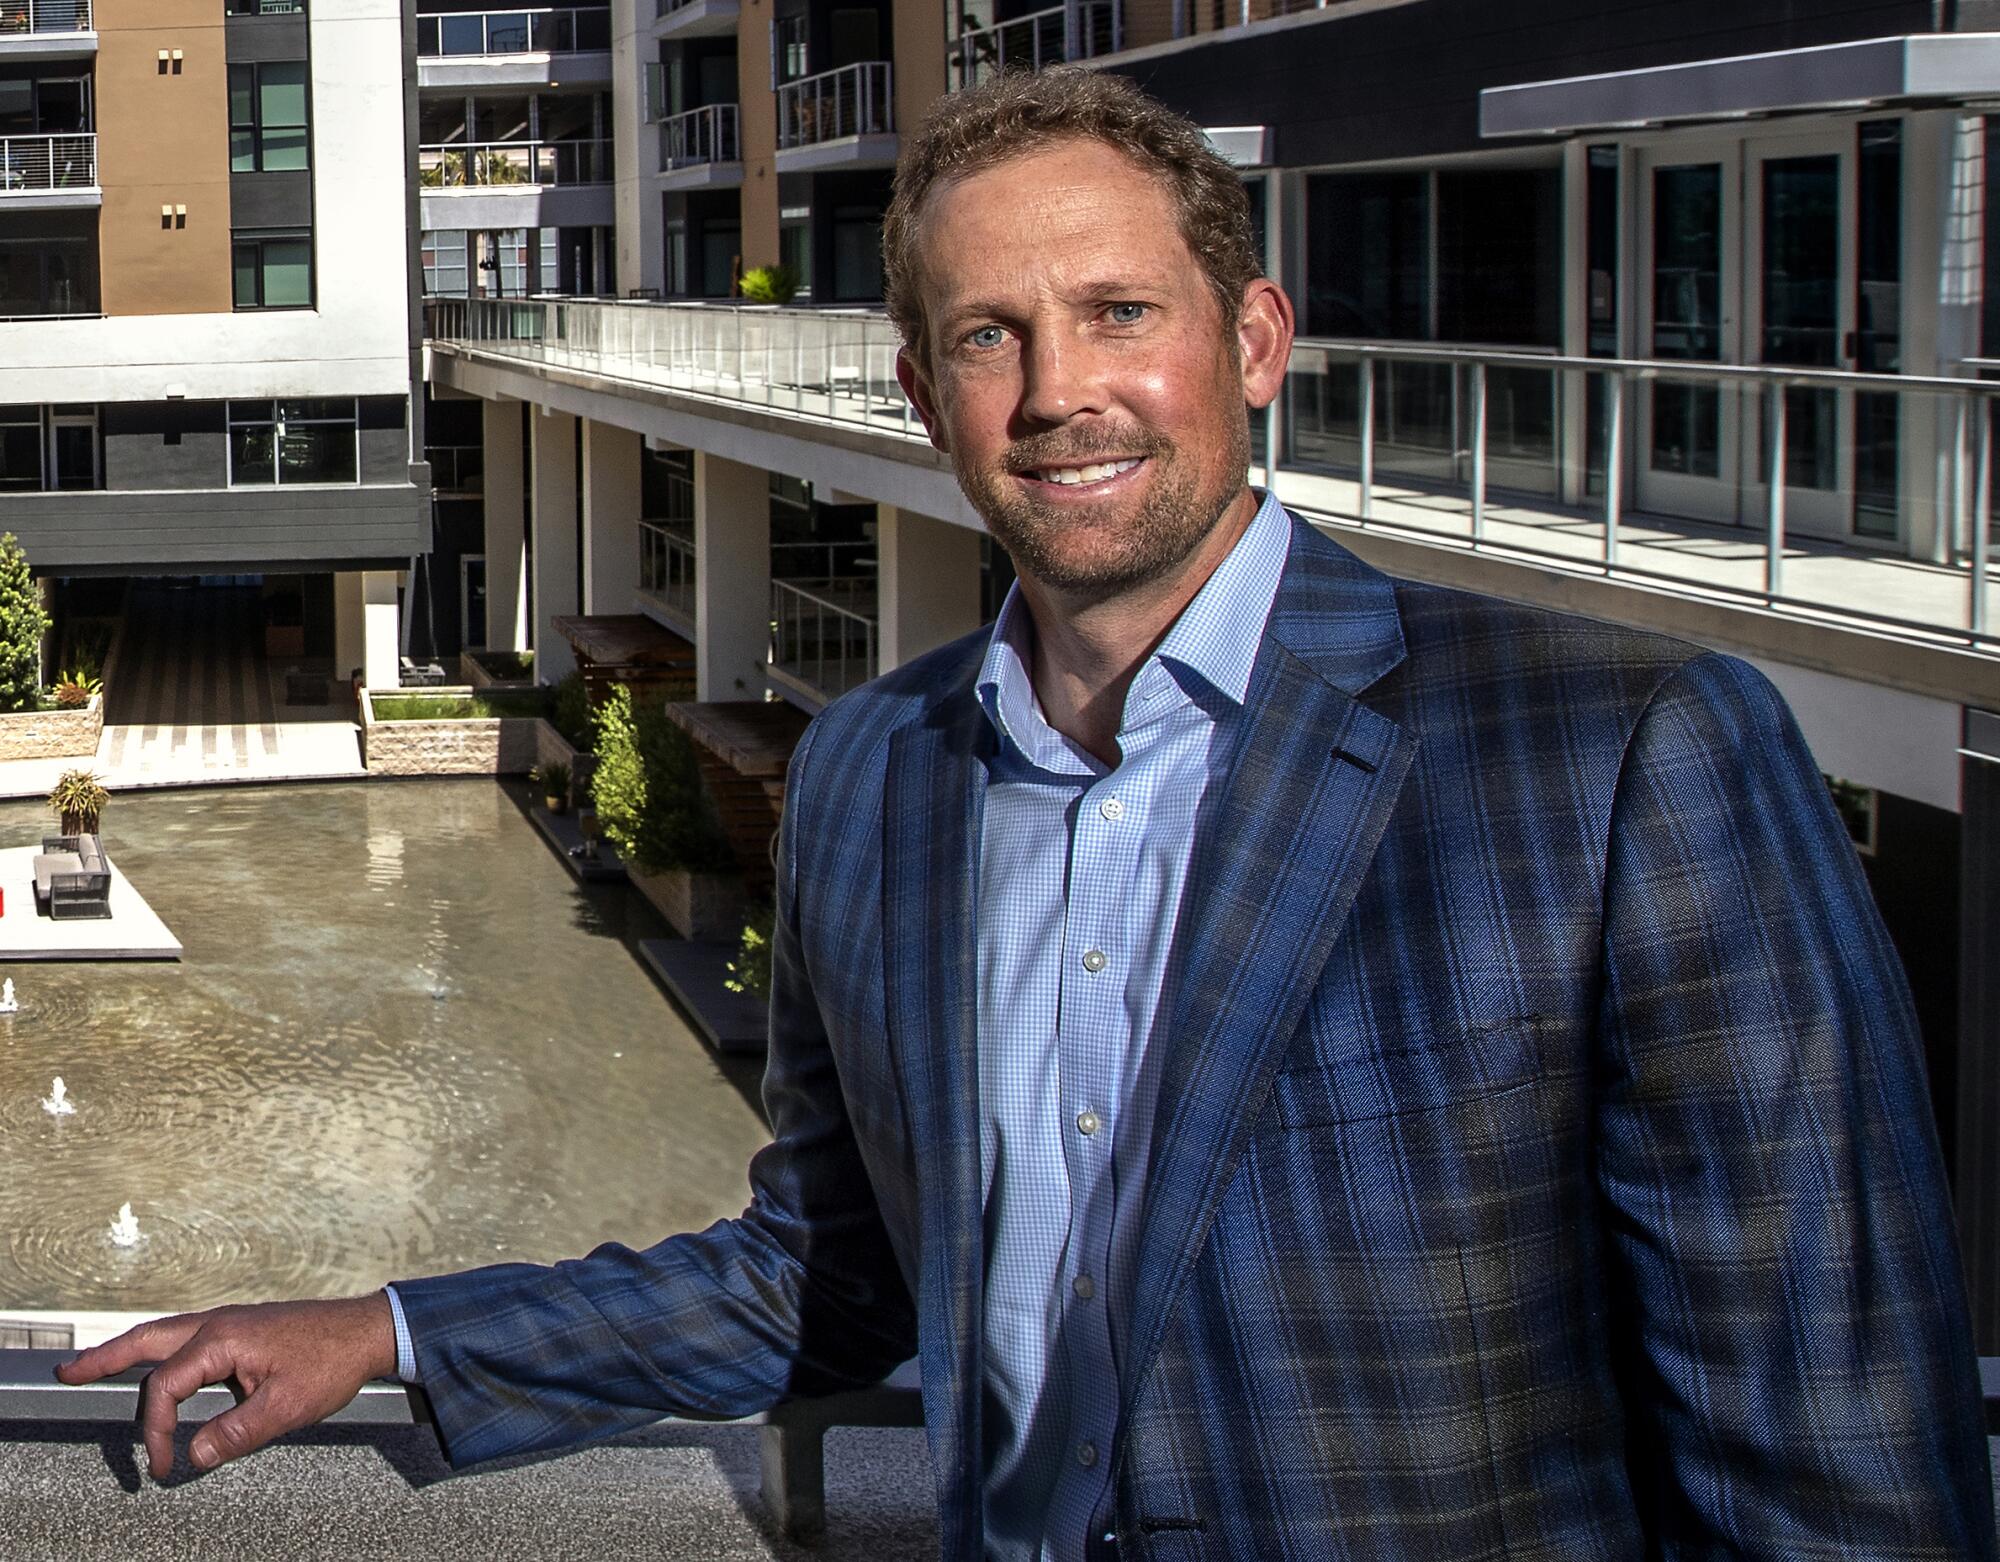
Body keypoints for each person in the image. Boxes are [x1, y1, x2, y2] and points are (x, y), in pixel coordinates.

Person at [61, 69, 1995, 1560]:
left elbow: (1827, 1445)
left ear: (1252, 342)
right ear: (919, 393)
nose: (1062, 390)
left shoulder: (1624, 758)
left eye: (1119, 312)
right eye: (990, 335)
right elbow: (827, 1275)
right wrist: (385, 1328)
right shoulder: (881, 780)